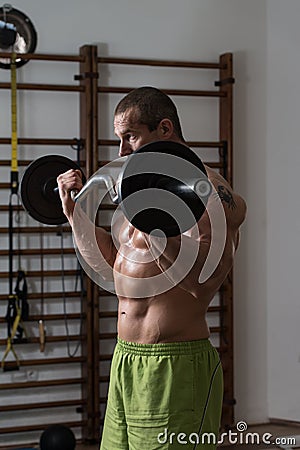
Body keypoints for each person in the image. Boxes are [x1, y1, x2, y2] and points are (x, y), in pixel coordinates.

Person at [57, 87, 247, 449]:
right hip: (126, 359)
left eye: (130, 136)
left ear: (164, 128)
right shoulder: (140, 191)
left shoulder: (212, 195)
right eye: (119, 139)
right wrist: (75, 216)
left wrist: (154, 229)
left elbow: (201, 284)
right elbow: (117, 265)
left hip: (175, 364)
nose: (122, 152)